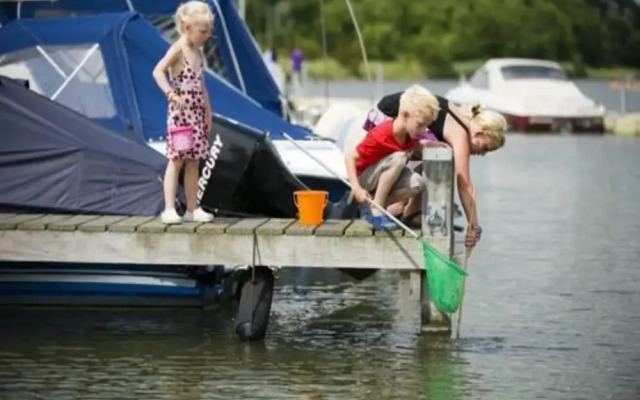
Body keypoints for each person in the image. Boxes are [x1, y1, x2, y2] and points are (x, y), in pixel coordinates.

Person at [365, 91, 507, 249]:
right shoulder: (461, 136)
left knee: (440, 152)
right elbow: (464, 185)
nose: (482, 154)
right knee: (441, 152)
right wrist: (474, 226)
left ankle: (412, 210)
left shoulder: (463, 118)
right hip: (387, 117)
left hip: (387, 110)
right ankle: (395, 206)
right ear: (479, 133)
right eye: (485, 147)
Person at [152, 1, 215, 224]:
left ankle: (192, 208)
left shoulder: (198, 52)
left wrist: (208, 111)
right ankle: (169, 208)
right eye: (203, 31)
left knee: (194, 161)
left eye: (209, 31)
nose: (207, 35)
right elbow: (158, 71)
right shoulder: (178, 49)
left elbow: (202, 85)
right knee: (177, 159)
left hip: (197, 113)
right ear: (187, 27)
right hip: (181, 115)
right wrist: (170, 93)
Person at [345, 84, 441, 230]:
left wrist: (428, 145)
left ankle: (377, 206)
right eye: (420, 125)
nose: (423, 130)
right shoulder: (382, 134)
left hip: (378, 180)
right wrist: (357, 188)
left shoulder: (407, 136)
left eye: (425, 126)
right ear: (404, 114)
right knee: (400, 157)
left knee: (417, 183)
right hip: (363, 178)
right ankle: (377, 210)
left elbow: (412, 145)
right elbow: (350, 156)